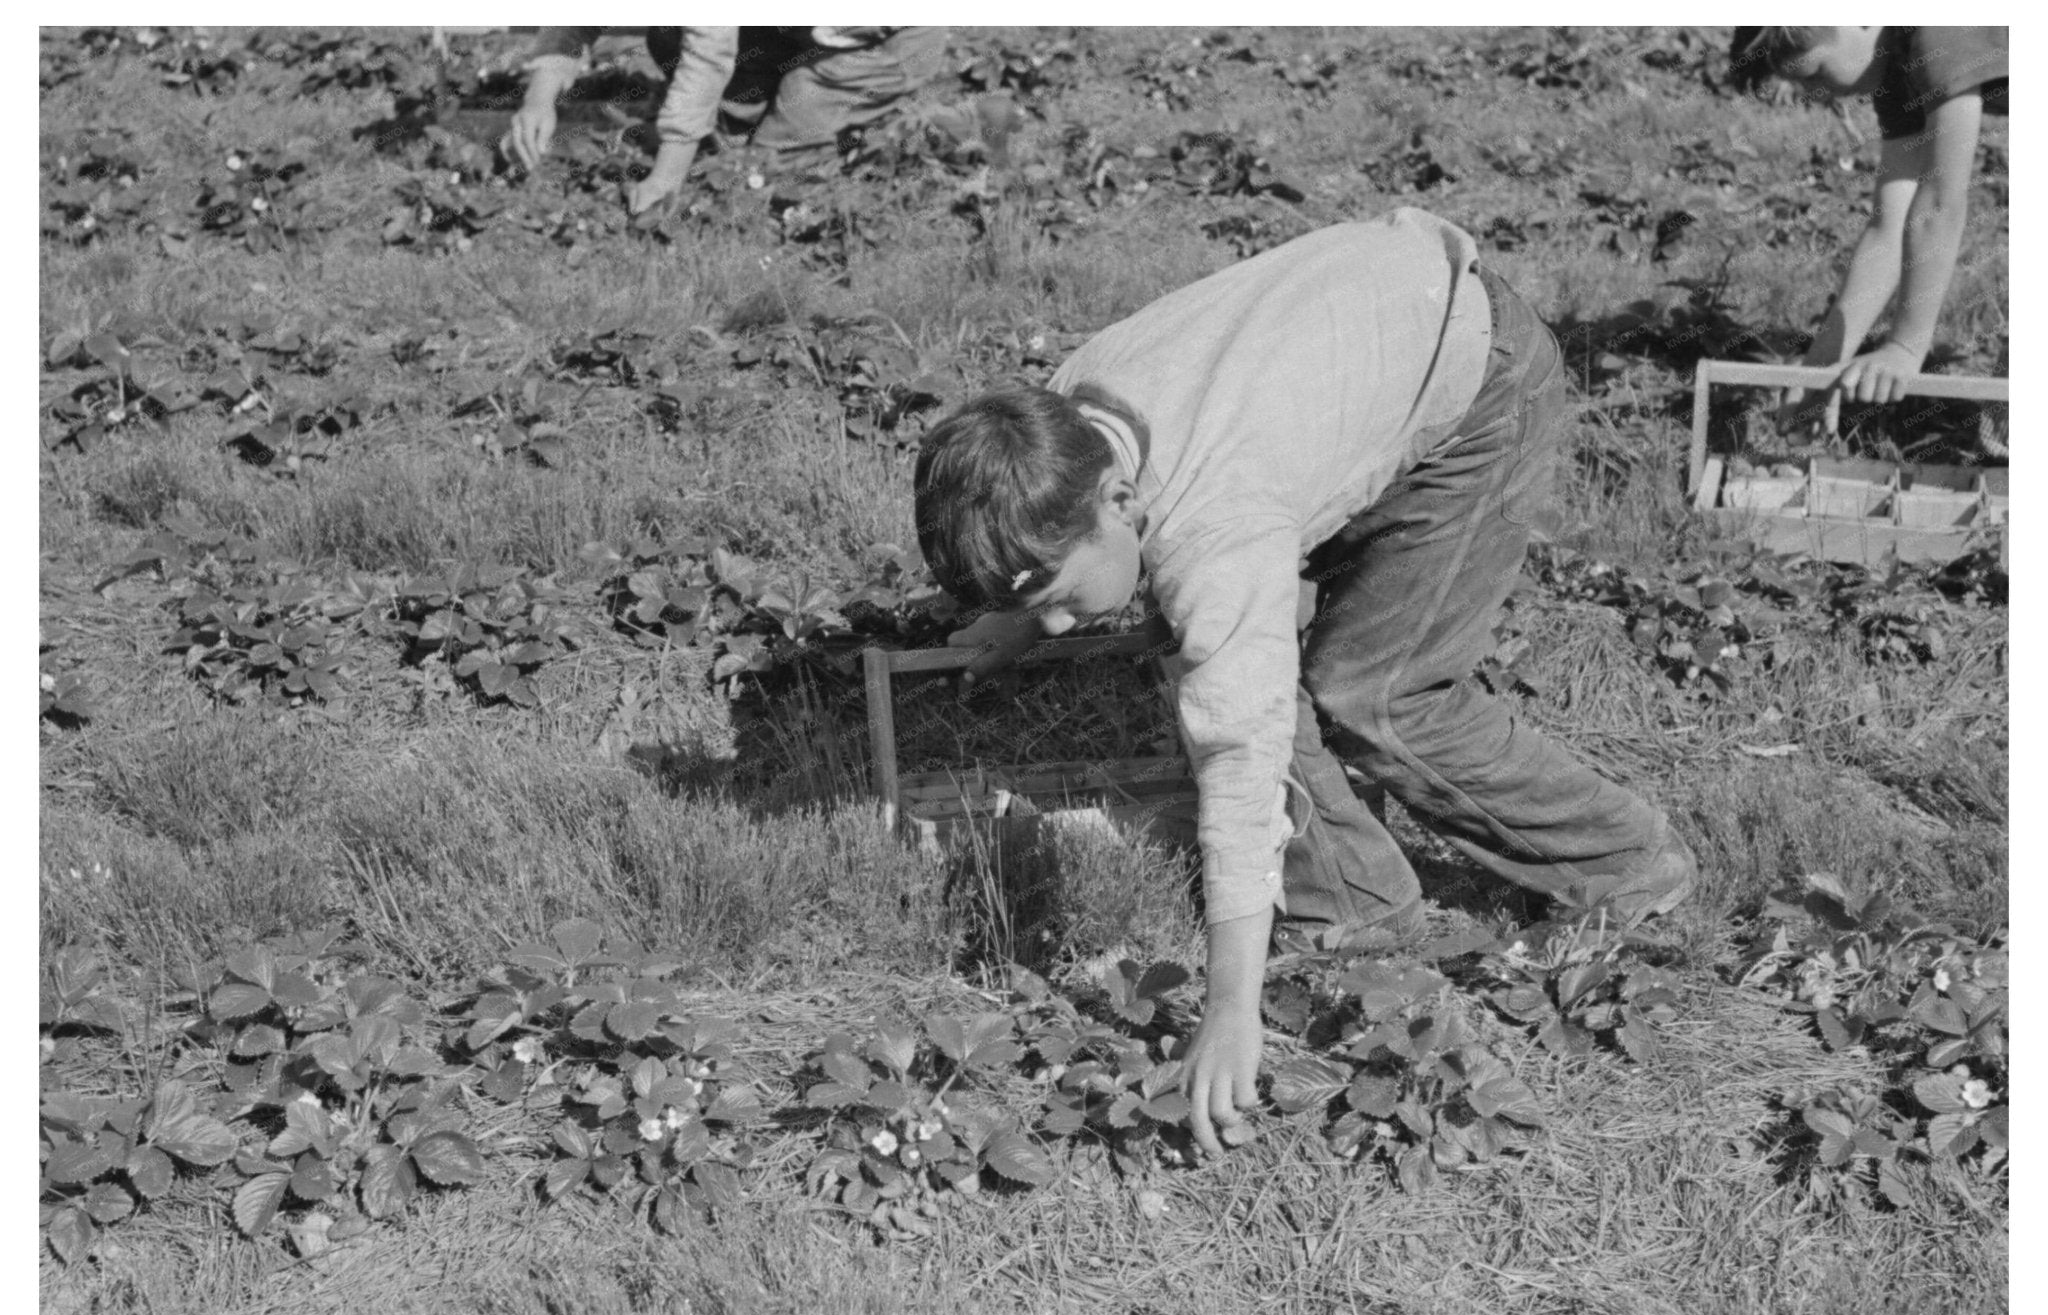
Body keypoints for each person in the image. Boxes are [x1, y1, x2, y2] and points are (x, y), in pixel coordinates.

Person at [912, 209, 1698, 1159]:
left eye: (1056, 596)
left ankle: (1622, 859)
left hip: (1477, 381)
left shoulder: (1213, 528)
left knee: (1378, 693)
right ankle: (1357, 900)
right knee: (1216, 640)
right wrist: (1022, 604)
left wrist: (1228, 1010)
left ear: (1119, 502)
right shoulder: (1073, 417)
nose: (1056, 623)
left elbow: (1240, 759)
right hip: (1377, 337)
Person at [1728, 28, 2007, 416]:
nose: (1815, 93)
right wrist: (1818, 372)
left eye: (1816, 73)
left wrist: (1905, 347)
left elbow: (1941, 201)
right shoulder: (1894, 71)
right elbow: (1889, 225)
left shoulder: (1937, 29)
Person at [502, 26, 947, 213]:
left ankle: (868, 129)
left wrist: (665, 179)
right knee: (670, 35)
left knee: (767, 172)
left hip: (885, 42)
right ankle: (750, 116)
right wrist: (539, 98)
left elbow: (708, 55)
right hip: (798, 30)